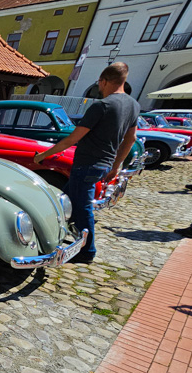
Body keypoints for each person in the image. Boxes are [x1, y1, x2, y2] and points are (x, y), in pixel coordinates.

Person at [34, 63, 139, 263]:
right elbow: (131, 138)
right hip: (105, 165)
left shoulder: (102, 105)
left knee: (82, 210)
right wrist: (116, 166)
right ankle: (58, 236)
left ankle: (87, 251)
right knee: (62, 200)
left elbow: (72, 139)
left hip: (87, 165)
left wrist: (42, 156)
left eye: (100, 84)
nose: (100, 88)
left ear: (104, 81)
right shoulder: (133, 105)